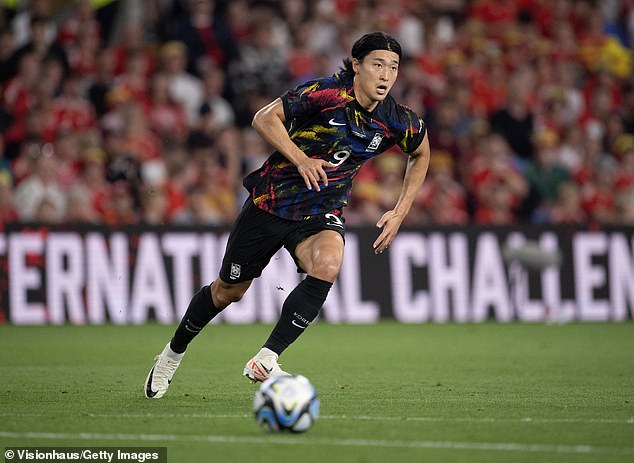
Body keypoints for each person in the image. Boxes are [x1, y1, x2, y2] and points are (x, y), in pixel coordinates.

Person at [144, 31, 432, 399]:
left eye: (393, 67)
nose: (386, 75)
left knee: (328, 263)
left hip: (320, 211)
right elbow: (264, 119)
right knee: (227, 292)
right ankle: (172, 353)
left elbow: (421, 152)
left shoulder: (395, 119)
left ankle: (266, 358)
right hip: (270, 204)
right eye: (378, 64)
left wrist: (400, 210)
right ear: (357, 65)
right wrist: (301, 159)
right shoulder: (327, 94)